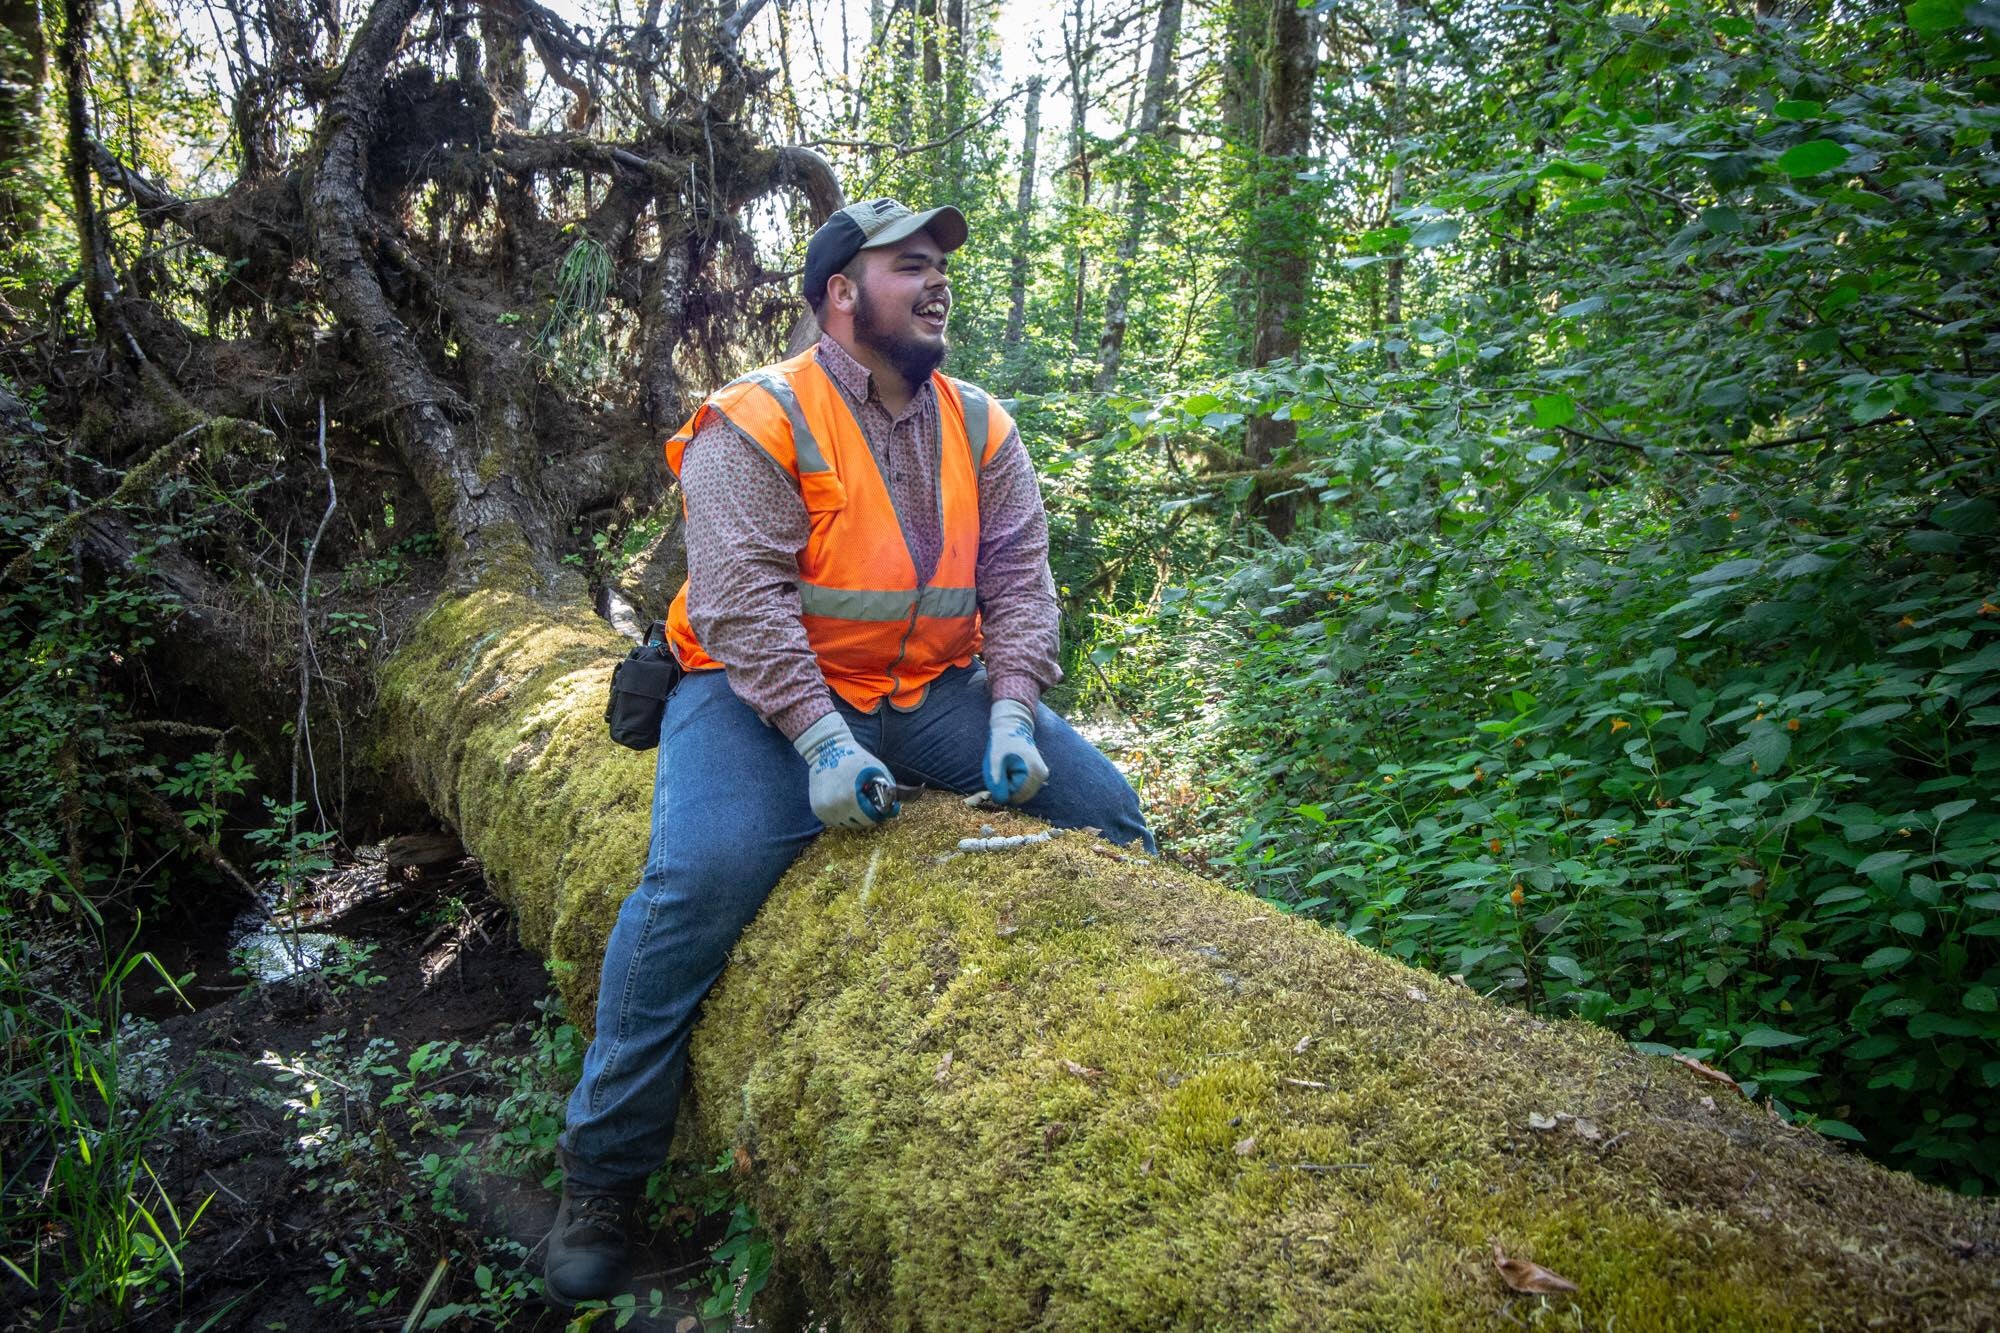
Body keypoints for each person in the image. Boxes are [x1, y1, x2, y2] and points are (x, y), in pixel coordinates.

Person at [543, 198, 1153, 1307]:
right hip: (752, 694)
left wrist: (1012, 712)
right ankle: (603, 1173)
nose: (936, 284)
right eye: (908, 266)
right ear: (839, 295)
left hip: (923, 694)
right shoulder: (755, 420)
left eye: (940, 269)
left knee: (1109, 817)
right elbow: (737, 604)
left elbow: (1020, 583)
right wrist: (821, 741)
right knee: (696, 881)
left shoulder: (981, 426)